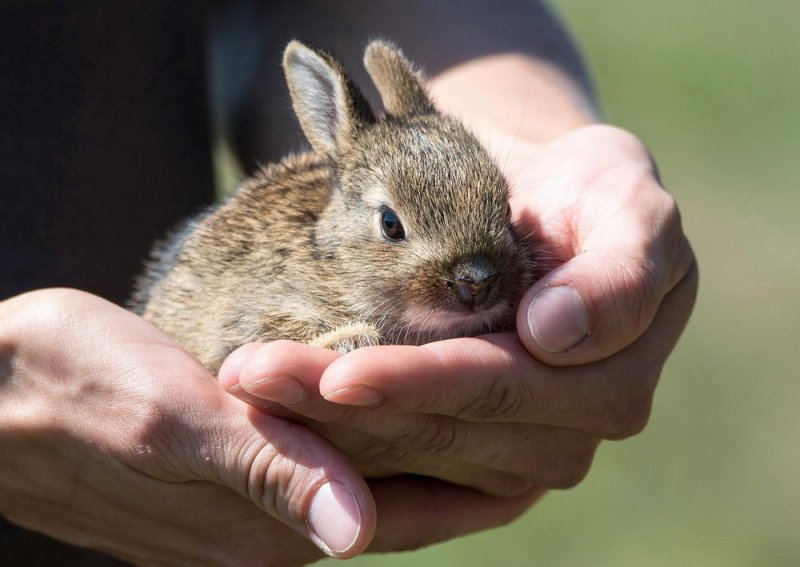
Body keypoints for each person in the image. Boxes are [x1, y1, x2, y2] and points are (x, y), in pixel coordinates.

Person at [0, 1, 697, 565]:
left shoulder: (490, 270)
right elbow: (241, 337)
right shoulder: (299, 284)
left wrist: (552, 142)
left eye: (499, 218)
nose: (477, 280)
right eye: (395, 228)